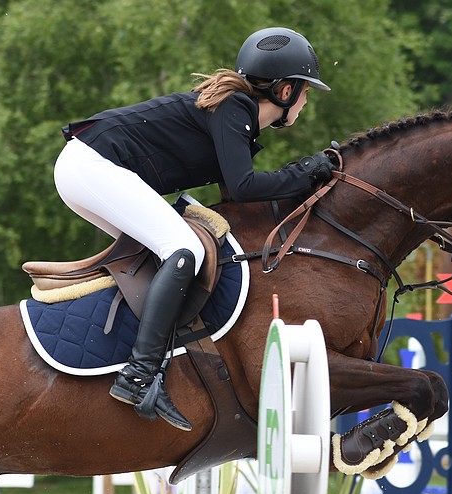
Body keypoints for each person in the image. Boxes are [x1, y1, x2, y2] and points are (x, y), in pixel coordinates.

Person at [54, 27, 335, 432]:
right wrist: (304, 172)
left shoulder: (235, 117)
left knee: (164, 254)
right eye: (306, 90)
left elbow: (237, 203)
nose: (308, 100)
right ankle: (139, 375)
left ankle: (133, 357)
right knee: (185, 250)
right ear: (285, 91)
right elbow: (244, 187)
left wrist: (303, 183)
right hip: (93, 166)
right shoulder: (234, 108)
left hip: (87, 167)